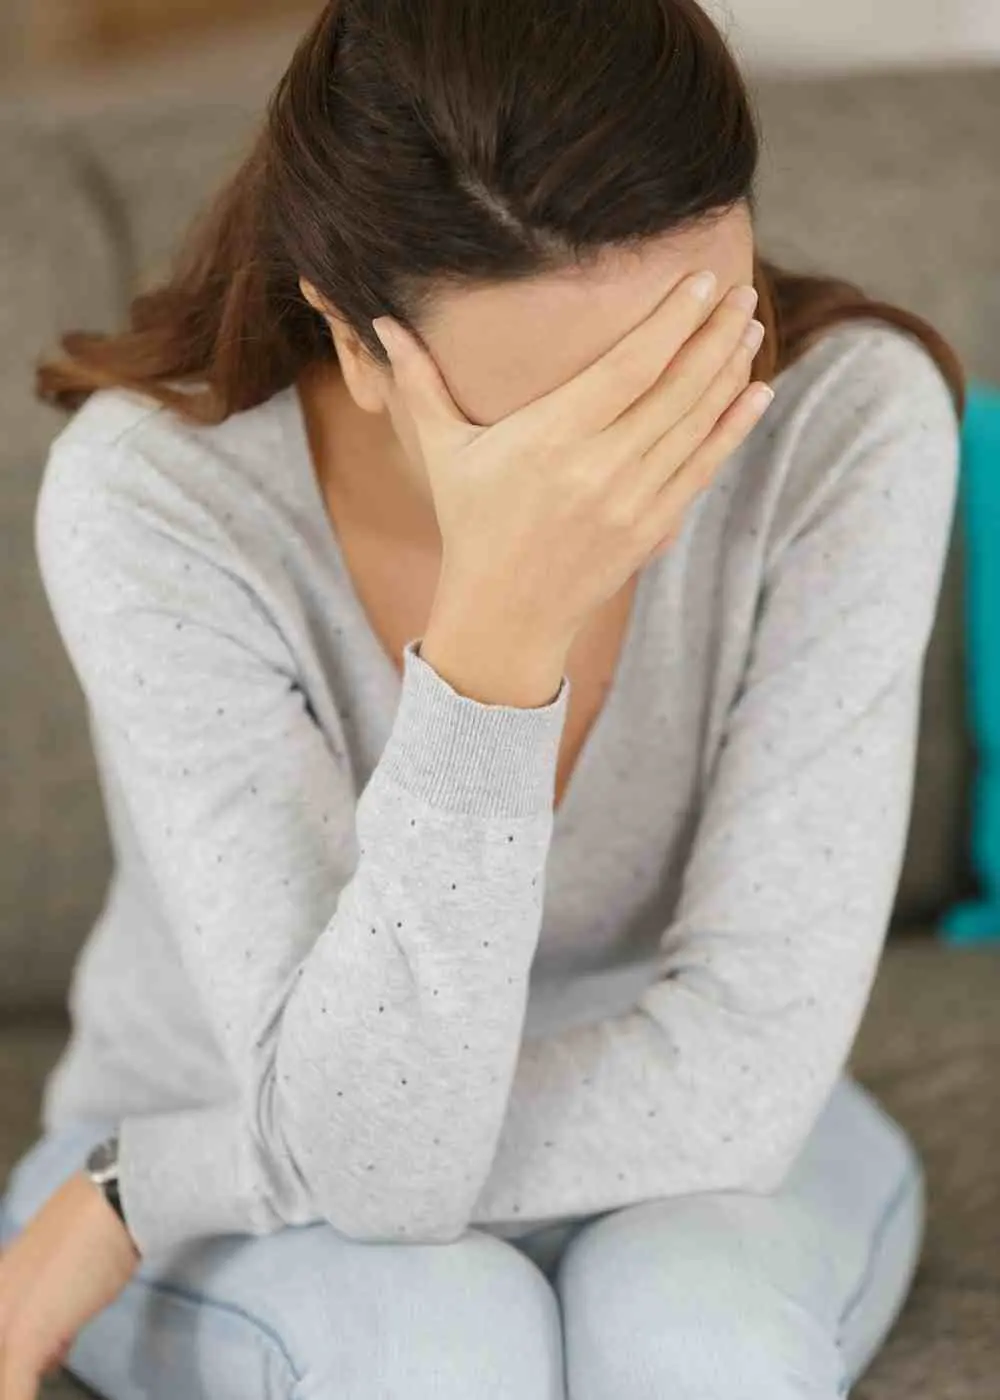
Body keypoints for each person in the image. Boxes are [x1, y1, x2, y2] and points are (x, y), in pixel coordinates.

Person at [0, 0, 966, 1396]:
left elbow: (743, 1072)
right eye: (553, 424)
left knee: (705, 1349)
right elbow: (380, 1157)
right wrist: (498, 646)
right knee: (438, 1352)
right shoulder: (161, 503)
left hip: (654, 1133)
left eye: (693, 349)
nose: (636, 466)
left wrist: (149, 1186)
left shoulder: (841, 426)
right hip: (261, 1121)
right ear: (352, 338)